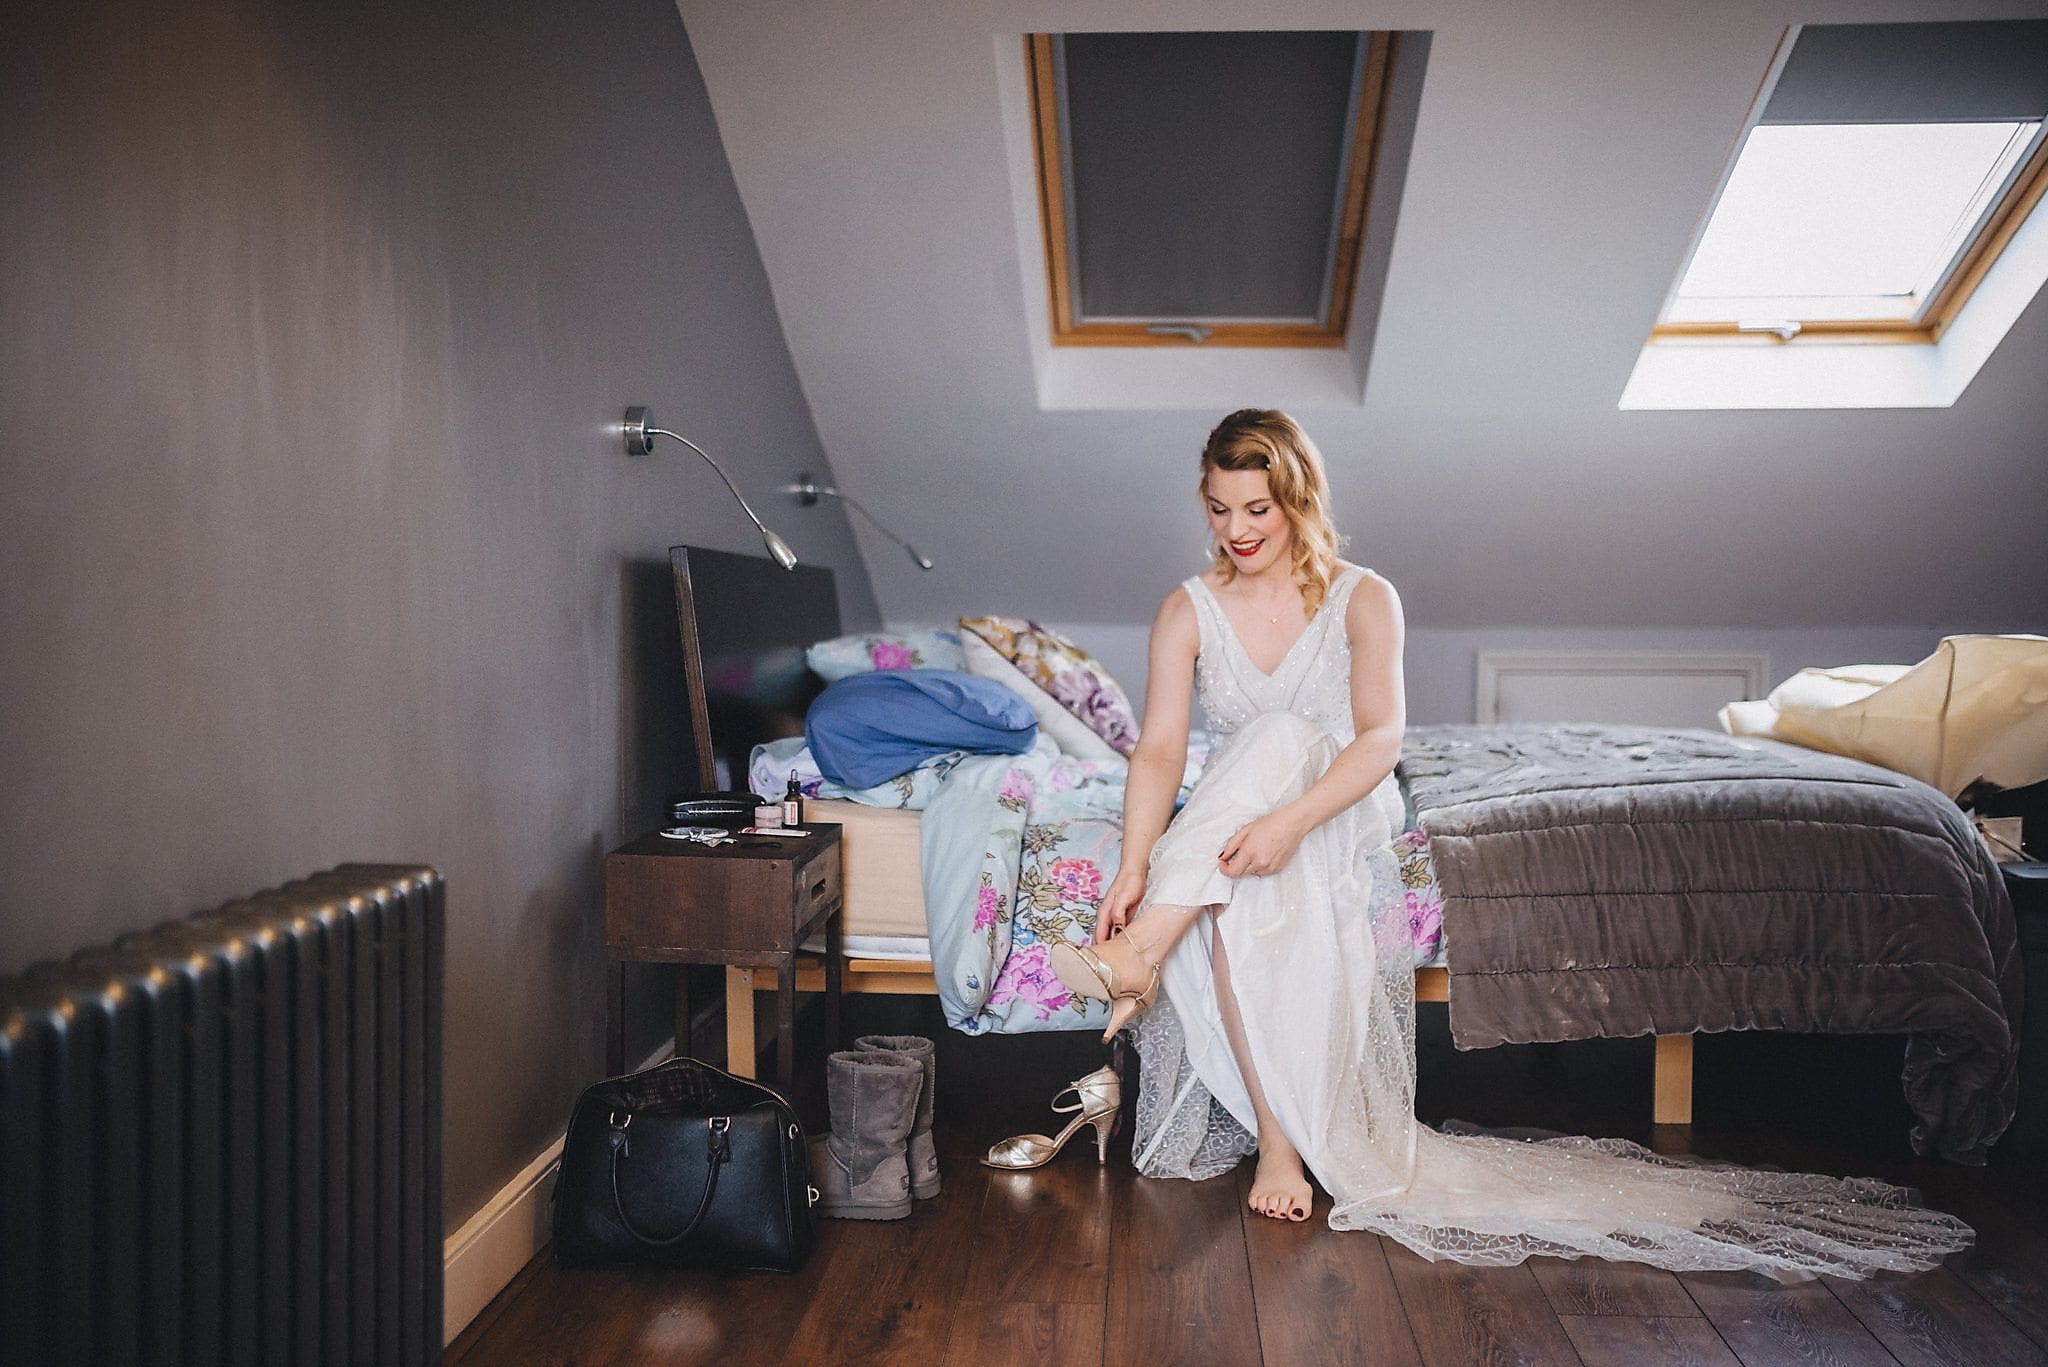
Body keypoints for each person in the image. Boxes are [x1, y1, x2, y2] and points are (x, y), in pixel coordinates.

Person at [1050, 409, 1972, 1276]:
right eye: (1219, 508)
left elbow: (1380, 740)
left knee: (1285, 740)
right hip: (1235, 813)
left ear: (1298, 501)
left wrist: (1290, 822)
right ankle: (1276, 1135)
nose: (1237, 528)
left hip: (1334, 801)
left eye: (1257, 508)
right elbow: (1163, 746)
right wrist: (1134, 863)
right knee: (1242, 868)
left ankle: (1144, 956)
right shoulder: (1188, 607)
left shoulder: (1364, 597)